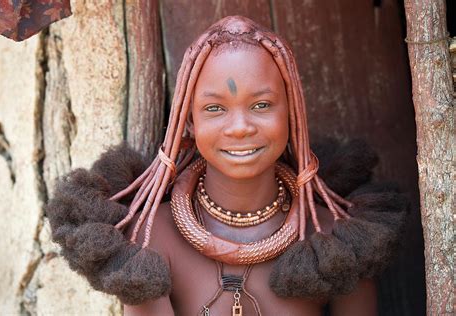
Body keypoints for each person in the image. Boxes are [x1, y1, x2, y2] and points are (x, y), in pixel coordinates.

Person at [46, 16, 408, 316]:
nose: (240, 127)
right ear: (189, 123)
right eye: (215, 109)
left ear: (292, 116)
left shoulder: (334, 239)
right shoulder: (151, 240)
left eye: (262, 105)